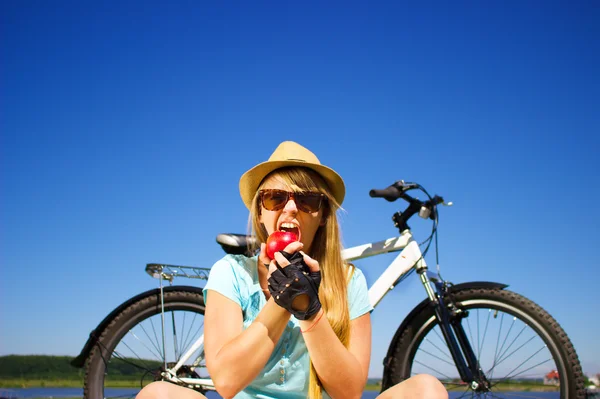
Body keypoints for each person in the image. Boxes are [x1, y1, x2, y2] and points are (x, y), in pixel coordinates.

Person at [136, 141, 448, 399]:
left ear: (322, 215)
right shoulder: (230, 272)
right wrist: (281, 302)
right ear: (260, 212)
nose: (290, 208)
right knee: (157, 394)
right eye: (275, 198)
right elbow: (227, 382)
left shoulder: (349, 281)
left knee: (427, 390)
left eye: (308, 199)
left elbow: (350, 392)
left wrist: (310, 311)